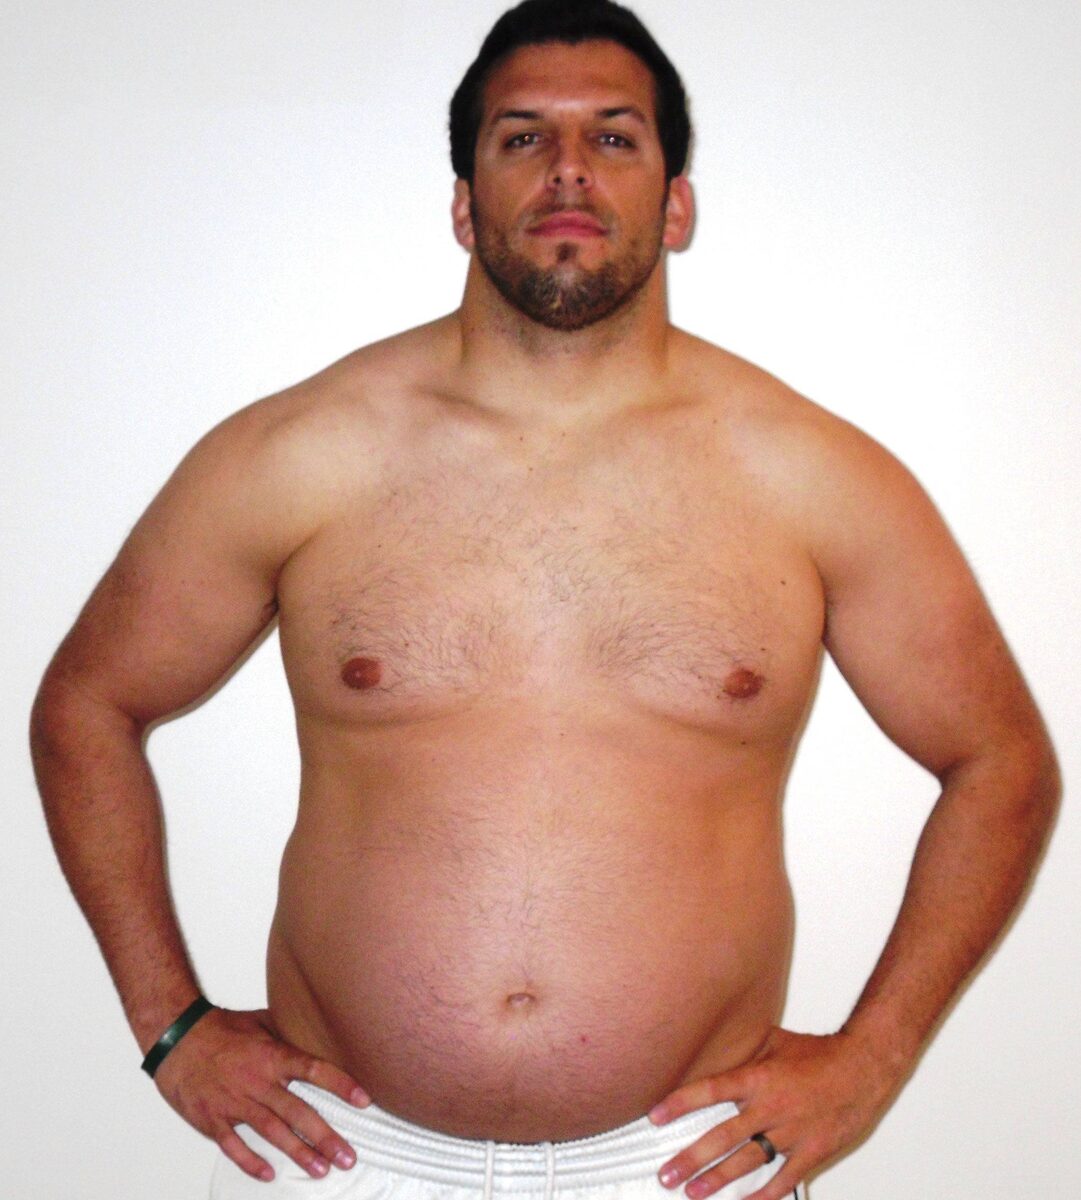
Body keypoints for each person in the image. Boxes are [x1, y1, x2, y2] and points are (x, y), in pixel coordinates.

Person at [29, 1, 1059, 1198]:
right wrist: (170, 1025)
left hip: (686, 1163)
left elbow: (1001, 761)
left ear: (676, 204)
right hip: (339, 1154)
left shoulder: (811, 477)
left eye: (614, 137)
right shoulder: (304, 452)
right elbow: (87, 704)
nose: (569, 169)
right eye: (522, 137)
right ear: (465, 204)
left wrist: (872, 1060)